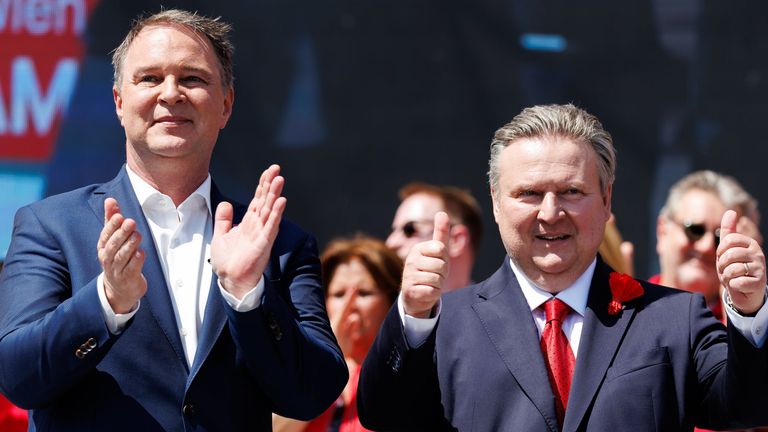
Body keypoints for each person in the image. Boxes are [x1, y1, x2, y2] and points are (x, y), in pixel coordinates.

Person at [0, 9, 346, 431]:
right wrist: (108, 301)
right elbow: (18, 377)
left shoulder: (281, 243)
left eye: (192, 79)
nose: (171, 94)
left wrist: (248, 295)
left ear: (226, 104)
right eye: (149, 78)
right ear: (119, 102)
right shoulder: (49, 225)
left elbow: (312, 394)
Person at [358, 104, 768, 431]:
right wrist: (412, 316)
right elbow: (384, 416)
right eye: (529, 194)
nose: (551, 213)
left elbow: (748, 408)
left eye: (572, 191)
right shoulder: (445, 324)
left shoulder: (675, 318)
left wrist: (750, 311)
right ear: (497, 202)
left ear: (606, 200)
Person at [273, 236, 402, 432]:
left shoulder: (406, 371)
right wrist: (328, 363)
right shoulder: (299, 368)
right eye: (339, 294)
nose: (349, 306)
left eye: (363, 293)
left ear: (392, 301)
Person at [654, 170, 761, 323]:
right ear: (662, 232)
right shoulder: (628, 305)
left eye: (721, 238)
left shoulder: (755, 330)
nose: (706, 247)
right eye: (695, 230)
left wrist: (748, 312)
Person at [385, 182, 482, 291]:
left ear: (455, 240)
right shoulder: (383, 306)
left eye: (409, 229)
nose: (390, 243)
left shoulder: (494, 307)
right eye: (393, 231)